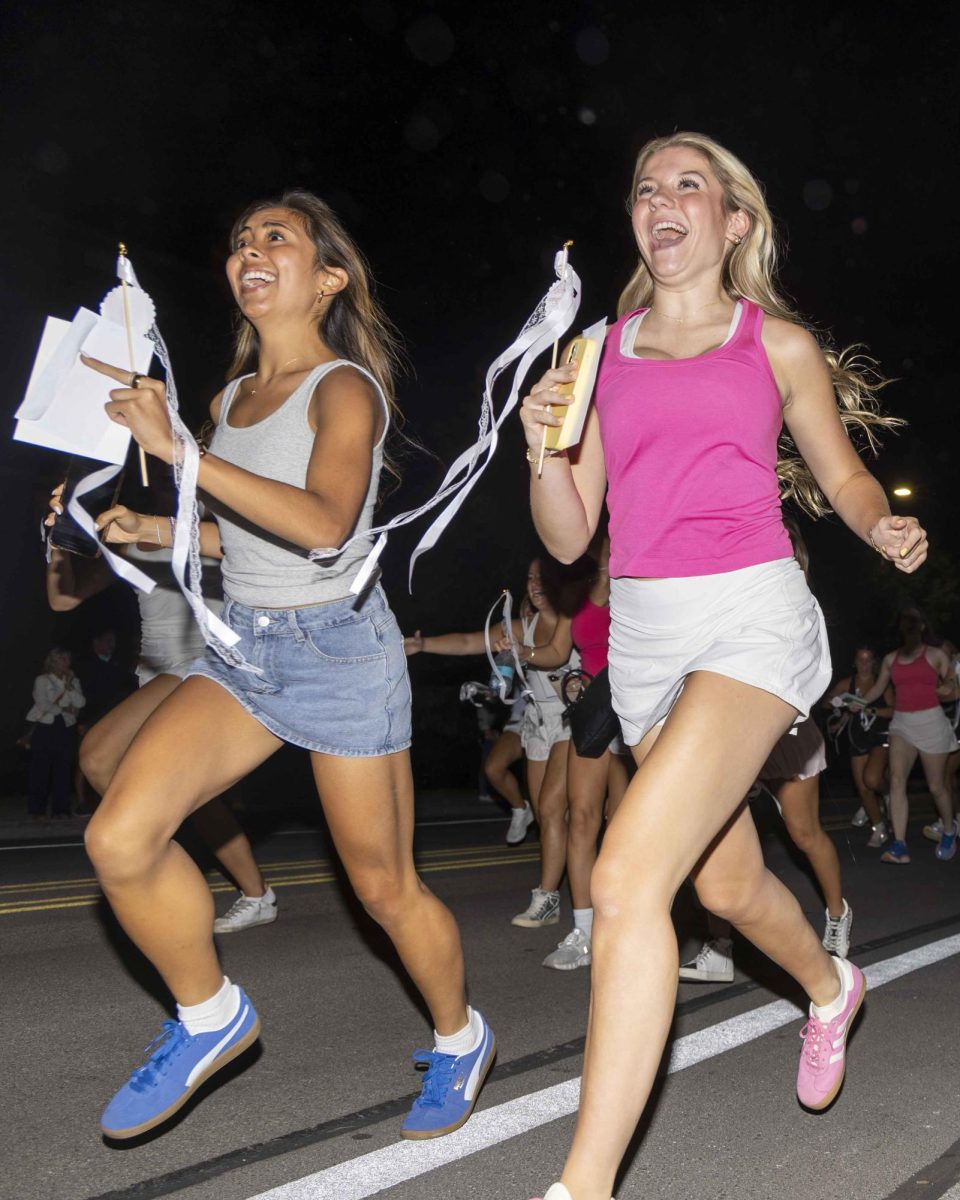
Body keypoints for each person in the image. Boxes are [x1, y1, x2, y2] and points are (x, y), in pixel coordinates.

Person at [521, 131, 925, 1200]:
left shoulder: (775, 344)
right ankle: (830, 986)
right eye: (646, 187)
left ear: (732, 221)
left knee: (624, 876)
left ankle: (583, 1186)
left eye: (686, 186)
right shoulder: (597, 352)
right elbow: (568, 540)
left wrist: (881, 527)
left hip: (751, 615)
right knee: (728, 880)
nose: (661, 201)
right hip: (648, 635)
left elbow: (843, 477)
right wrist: (543, 455)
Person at [79, 190, 494, 1141]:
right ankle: (208, 1013)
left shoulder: (345, 387)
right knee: (119, 837)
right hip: (246, 645)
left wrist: (181, 455)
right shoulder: (228, 396)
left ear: (327, 278)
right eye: (240, 240)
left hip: (341, 654)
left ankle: (461, 1035)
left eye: (279, 237)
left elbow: (321, 524)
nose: (251, 249)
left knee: (385, 889)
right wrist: (160, 525)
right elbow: (258, 537)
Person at [44, 483, 277, 933]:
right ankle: (256, 893)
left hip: (207, 665)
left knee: (98, 753)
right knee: (181, 792)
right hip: (158, 671)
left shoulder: (223, 530)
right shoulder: (132, 535)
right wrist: (59, 542)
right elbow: (63, 598)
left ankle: (155, 864)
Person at [505, 533, 626, 971]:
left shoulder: (639, 576)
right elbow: (559, 652)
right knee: (583, 817)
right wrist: (524, 652)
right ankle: (587, 932)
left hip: (643, 704)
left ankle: (681, 917)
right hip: (594, 710)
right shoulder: (575, 592)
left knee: (634, 818)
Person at [405, 557, 569, 853]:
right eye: (530, 578)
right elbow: (470, 642)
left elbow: (570, 654)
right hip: (535, 721)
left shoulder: (574, 620)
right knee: (548, 816)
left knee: (573, 813)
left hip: (573, 722)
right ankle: (551, 888)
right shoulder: (520, 628)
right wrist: (424, 645)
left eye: (542, 577)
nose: (535, 584)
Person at [853, 606, 957, 864]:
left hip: (931, 721)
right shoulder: (890, 659)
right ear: (901, 627)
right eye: (905, 621)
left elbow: (952, 686)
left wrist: (945, 689)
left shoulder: (935, 655)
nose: (909, 625)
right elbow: (878, 688)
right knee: (897, 780)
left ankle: (949, 829)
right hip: (902, 724)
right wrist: (859, 701)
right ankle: (900, 845)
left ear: (922, 626)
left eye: (914, 621)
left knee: (937, 787)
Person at [823, 646, 893, 847]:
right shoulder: (848, 683)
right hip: (857, 737)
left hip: (880, 735)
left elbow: (894, 710)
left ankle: (887, 792)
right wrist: (837, 702)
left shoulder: (882, 683)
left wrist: (871, 710)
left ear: (874, 662)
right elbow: (826, 702)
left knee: (871, 779)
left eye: (868, 659)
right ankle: (879, 827)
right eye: (860, 660)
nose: (864, 664)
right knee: (863, 788)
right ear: (855, 662)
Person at [25, 647, 85, 819]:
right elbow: (43, 704)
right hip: (46, 726)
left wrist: (70, 686)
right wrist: (65, 708)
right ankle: (37, 809)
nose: (67, 663)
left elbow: (81, 703)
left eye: (68, 659)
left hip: (66, 727)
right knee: (41, 770)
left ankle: (61, 809)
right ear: (53, 662)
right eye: (62, 659)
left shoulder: (73, 681)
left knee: (63, 768)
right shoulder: (42, 680)